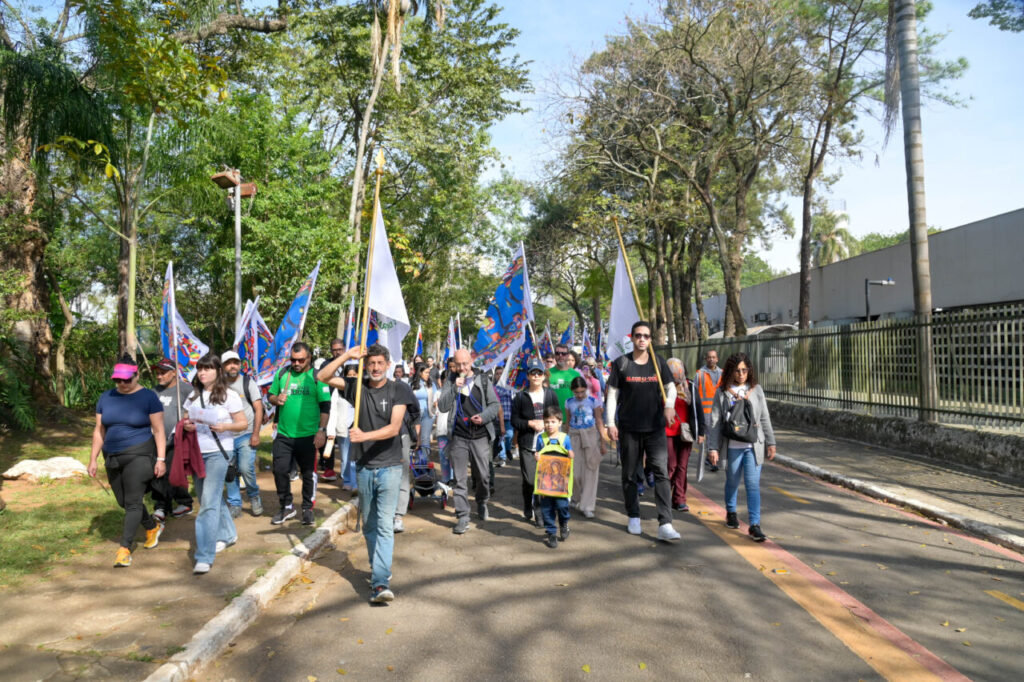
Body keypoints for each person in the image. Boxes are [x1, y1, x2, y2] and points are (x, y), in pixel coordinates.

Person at [342, 343, 415, 603]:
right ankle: (379, 566)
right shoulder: (356, 388)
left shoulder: (399, 389)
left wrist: (363, 436)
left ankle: (380, 583)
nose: (375, 368)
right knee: (369, 525)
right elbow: (322, 377)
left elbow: (394, 428)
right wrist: (348, 355)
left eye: (379, 363)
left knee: (384, 525)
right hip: (364, 467)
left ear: (387, 364)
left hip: (390, 467)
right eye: (371, 363)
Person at [88, 355, 166, 567]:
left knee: (132, 502)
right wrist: (93, 459)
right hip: (112, 456)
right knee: (124, 501)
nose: (122, 383)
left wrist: (160, 459)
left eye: (127, 379)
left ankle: (124, 549)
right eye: (118, 380)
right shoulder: (106, 397)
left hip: (140, 454)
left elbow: (159, 430)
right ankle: (151, 527)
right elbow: (99, 430)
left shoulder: (148, 397)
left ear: (137, 375)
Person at [605, 321, 681, 542]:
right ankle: (634, 516)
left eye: (646, 336)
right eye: (638, 335)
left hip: (655, 428)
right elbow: (612, 395)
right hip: (629, 428)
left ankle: (665, 523)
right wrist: (610, 423)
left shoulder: (658, 362)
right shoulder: (621, 363)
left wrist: (669, 406)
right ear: (632, 337)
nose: (642, 339)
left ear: (650, 339)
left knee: (661, 473)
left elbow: (671, 388)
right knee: (630, 474)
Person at [181, 353, 247, 574]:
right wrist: (187, 425)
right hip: (197, 452)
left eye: (207, 368)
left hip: (219, 452)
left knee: (207, 504)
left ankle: (204, 556)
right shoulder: (193, 395)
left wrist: (225, 427)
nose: (202, 373)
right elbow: (186, 419)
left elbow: (242, 424)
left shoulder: (229, 395)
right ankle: (228, 534)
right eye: (200, 369)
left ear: (218, 371)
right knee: (210, 498)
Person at [707, 352, 777, 542]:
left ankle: (755, 525)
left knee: (753, 485)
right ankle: (731, 512)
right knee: (732, 481)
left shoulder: (756, 390)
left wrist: (771, 442)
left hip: (753, 446)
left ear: (749, 370)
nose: (741, 374)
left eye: (744, 370)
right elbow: (715, 422)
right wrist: (712, 448)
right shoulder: (722, 392)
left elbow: (764, 418)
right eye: (737, 371)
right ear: (730, 371)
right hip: (732, 447)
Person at [437, 348, 500, 534]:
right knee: (459, 479)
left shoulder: (483, 379)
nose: (462, 368)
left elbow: (495, 405)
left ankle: (482, 501)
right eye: (458, 364)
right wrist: (454, 388)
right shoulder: (450, 380)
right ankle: (463, 515)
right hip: (459, 436)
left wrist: (483, 417)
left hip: (480, 435)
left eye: (465, 363)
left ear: (471, 361)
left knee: (483, 475)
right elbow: (442, 407)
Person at [268, 342, 331, 526]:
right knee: (280, 470)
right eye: (293, 360)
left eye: (300, 360)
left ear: (309, 358)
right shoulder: (282, 374)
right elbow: (270, 396)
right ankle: (286, 506)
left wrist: (321, 431)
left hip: (309, 435)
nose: (296, 363)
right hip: (284, 434)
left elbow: (325, 407)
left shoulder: (317, 377)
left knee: (308, 473)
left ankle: (307, 509)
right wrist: (276, 399)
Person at [510, 358, 559, 526]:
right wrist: (530, 423)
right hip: (527, 445)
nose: (536, 376)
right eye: (533, 373)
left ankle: (539, 513)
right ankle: (527, 504)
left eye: (539, 373)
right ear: (528, 376)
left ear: (544, 375)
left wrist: (547, 425)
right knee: (530, 480)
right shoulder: (520, 396)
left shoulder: (550, 394)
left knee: (542, 480)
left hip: (546, 444)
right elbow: (514, 420)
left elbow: (557, 416)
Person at [220, 350, 264, 517]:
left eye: (235, 362)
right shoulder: (218, 385)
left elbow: (258, 408)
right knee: (229, 471)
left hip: (246, 433)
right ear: (222, 366)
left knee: (246, 468)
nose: (232, 366)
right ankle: (235, 503)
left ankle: (254, 496)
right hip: (226, 437)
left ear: (240, 365)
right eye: (228, 363)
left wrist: (256, 433)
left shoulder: (247, 382)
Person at [150, 357, 195, 520]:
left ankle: (168, 505)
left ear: (174, 372)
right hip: (156, 440)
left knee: (172, 472)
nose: (159, 376)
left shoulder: (186, 390)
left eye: (163, 373)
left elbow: (195, 411)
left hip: (177, 439)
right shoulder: (154, 392)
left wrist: (187, 422)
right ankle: (167, 504)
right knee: (159, 472)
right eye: (157, 373)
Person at [564, 376, 606, 519]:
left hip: (591, 436)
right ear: (572, 391)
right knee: (575, 472)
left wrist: (603, 442)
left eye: (582, 392)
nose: (580, 395)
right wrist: (564, 441)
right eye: (577, 392)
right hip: (574, 436)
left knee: (591, 471)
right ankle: (575, 497)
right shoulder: (569, 402)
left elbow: (599, 421)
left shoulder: (593, 402)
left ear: (586, 390)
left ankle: (587, 506)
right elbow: (568, 421)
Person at [665, 358, 702, 513]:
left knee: (682, 466)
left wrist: (701, 432)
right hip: (667, 432)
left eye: (677, 369)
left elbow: (697, 409)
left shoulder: (689, 386)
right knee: (671, 466)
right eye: (672, 370)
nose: (676, 373)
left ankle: (679, 499)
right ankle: (665, 495)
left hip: (685, 432)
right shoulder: (663, 387)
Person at [535, 406, 574, 548]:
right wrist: (536, 456)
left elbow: (570, 453)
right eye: (546, 422)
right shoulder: (541, 438)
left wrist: (571, 454)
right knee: (546, 508)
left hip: (560, 481)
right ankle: (551, 532)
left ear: (560, 422)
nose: (549, 425)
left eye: (553, 421)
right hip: (545, 481)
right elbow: (538, 453)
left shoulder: (565, 438)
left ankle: (564, 524)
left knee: (562, 505)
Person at [694, 349, 722, 472]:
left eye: (713, 357)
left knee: (716, 436)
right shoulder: (700, 374)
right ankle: (712, 461)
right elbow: (694, 393)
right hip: (705, 412)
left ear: (717, 359)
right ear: (706, 359)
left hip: (719, 412)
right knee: (709, 436)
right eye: (709, 357)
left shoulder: (723, 373)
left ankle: (710, 458)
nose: (711, 359)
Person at [548, 343, 582, 421]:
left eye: (563, 353)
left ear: (567, 355)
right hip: (553, 419)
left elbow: (581, 396)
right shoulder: (547, 373)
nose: (560, 356)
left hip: (572, 418)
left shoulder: (575, 374)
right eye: (557, 353)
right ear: (554, 355)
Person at [494, 379, 516, 464]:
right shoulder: (494, 388)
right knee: (501, 436)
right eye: (497, 374)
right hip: (498, 417)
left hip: (509, 416)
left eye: (501, 374)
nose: (499, 376)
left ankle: (507, 449)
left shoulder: (511, 387)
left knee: (510, 435)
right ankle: (502, 457)